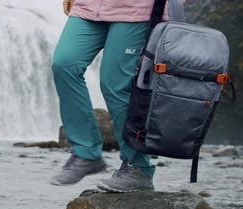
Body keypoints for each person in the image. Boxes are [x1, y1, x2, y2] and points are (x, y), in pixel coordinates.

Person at [51, 0, 183, 192]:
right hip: (88, 6)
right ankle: (86, 153)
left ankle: (138, 167)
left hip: (136, 9)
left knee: (115, 83)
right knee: (64, 64)